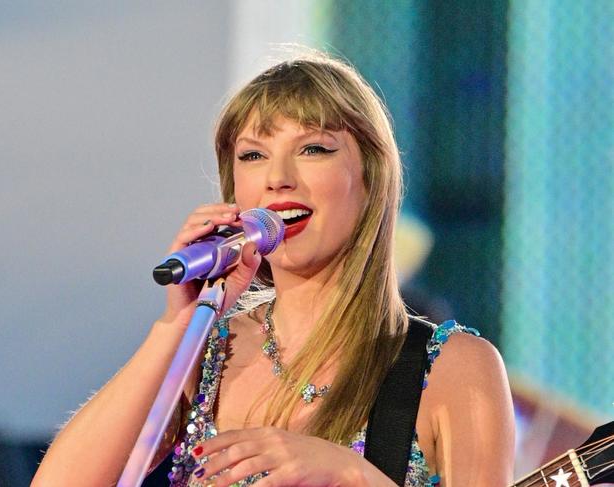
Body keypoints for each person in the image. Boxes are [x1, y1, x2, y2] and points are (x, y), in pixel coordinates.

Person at [33, 50, 515, 487]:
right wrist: (177, 323)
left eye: (314, 148)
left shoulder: (454, 368)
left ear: (371, 179)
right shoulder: (206, 355)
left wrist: (352, 475)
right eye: (253, 155)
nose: (278, 178)